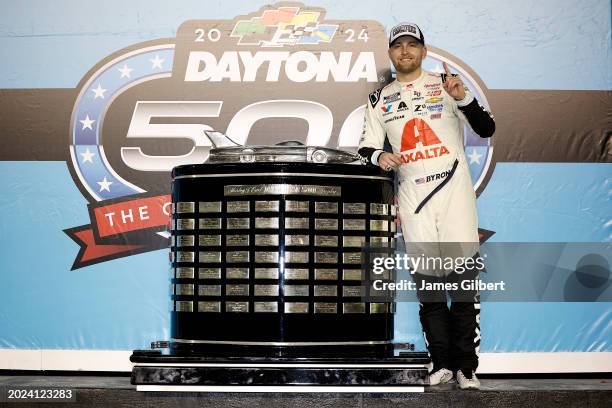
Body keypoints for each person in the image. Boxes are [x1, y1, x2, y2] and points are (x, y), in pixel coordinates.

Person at [358, 22, 495, 390]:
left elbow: (486, 129)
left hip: (454, 198)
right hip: (413, 200)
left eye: (412, 45)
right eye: (398, 46)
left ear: (423, 50)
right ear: (390, 53)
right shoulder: (379, 99)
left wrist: (463, 98)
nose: (405, 51)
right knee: (430, 289)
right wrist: (378, 156)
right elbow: (365, 147)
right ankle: (442, 363)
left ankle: (467, 366)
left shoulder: (446, 85)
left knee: (463, 287)